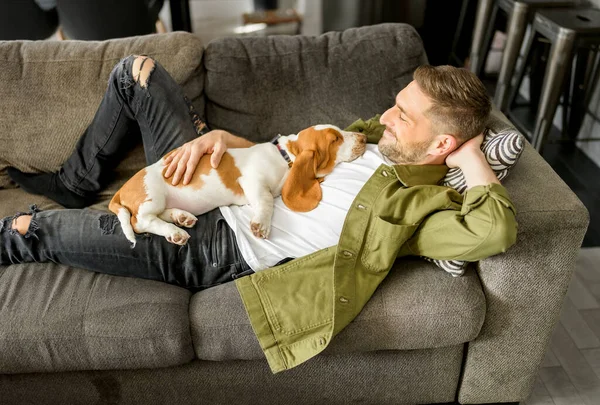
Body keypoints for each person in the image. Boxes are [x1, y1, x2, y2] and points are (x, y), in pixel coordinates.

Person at [2, 54, 514, 293]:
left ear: (442, 143)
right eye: (395, 105)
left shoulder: (420, 210)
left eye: (402, 115)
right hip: (224, 176)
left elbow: (494, 231)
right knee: (137, 74)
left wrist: (471, 158)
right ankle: (74, 185)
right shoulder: (374, 140)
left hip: (218, 244)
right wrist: (221, 140)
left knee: (32, 231)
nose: (384, 118)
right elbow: (279, 157)